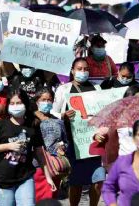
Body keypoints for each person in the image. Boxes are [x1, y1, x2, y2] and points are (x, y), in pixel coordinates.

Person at [0, 89, 56, 206]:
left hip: (25, 177)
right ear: (8, 106)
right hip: (3, 179)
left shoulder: (32, 125)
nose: (15, 106)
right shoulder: (0, 126)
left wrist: (48, 176)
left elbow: (39, 153)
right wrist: (8, 146)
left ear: (25, 105)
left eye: (19, 103)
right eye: (12, 103)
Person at [52, 58, 103, 206]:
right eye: (79, 69)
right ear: (72, 70)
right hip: (74, 143)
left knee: (98, 179)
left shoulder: (97, 89)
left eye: (86, 69)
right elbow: (53, 113)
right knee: (76, 182)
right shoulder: (64, 89)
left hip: (94, 141)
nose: (83, 72)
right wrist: (63, 115)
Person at [32, 88, 68, 202]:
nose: (47, 102)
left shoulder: (58, 120)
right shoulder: (31, 120)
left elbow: (65, 140)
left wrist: (63, 147)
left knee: (52, 199)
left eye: (49, 100)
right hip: (38, 167)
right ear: (37, 101)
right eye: (43, 100)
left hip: (55, 167)